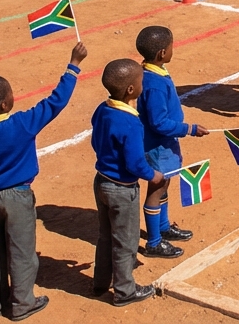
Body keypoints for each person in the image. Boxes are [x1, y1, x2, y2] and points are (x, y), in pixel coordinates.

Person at [0, 43, 86, 321]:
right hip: (17, 197)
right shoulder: (21, 124)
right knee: (22, 252)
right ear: (5, 104)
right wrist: (73, 65)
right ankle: (22, 304)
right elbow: (55, 102)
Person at [90, 58, 163, 307]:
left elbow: (95, 139)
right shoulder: (131, 121)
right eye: (140, 81)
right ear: (131, 90)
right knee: (126, 241)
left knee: (105, 236)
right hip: (122, 189)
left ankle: (100, 282)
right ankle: (124, 291)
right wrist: (152, 175)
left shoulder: (102, 109)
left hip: (101, 181)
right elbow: (135, 162)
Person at [136, 26, 209, 260]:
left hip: (164, 143)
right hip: (158, 145)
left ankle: (164, 226)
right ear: (161, 53)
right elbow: (158, 122)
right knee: (157, 188)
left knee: (164, 184)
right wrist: (189, 129)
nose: (172, 51)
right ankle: (155, 241)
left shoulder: (153, 72)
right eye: (171, 48)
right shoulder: (154, 84)